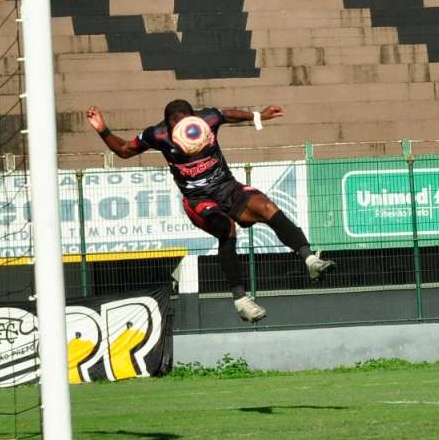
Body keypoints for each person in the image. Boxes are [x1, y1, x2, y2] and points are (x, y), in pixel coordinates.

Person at [86, 99, 335, 323]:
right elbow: (124, 150)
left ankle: (310, 259)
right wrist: (102, 130)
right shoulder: (158, 134)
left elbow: (228, 114)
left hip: (229, 188)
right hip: (198, 200)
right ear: (169, 126)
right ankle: (241, 300)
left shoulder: (207, 119)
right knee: (227, 228)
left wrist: (258, 116)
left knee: (266, 206)